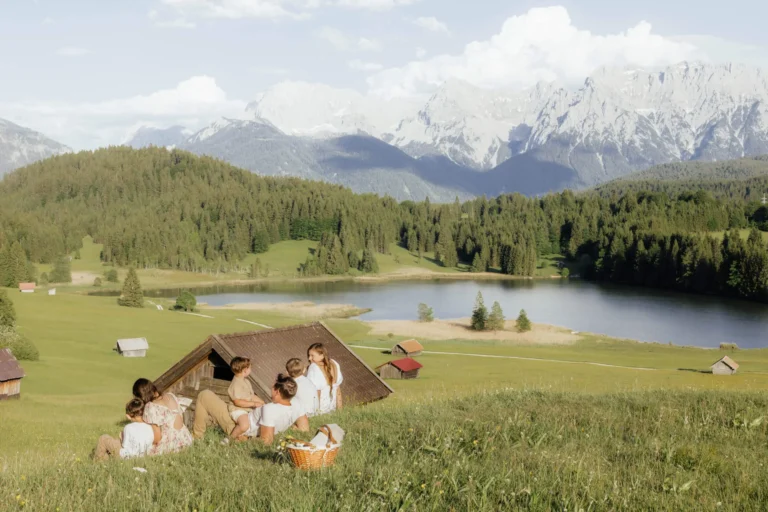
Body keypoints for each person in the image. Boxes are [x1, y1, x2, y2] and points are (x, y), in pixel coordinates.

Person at [242, 373, 309, 445]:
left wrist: (247, 439)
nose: (271, 389)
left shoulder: (269, 409)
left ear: (277, 392)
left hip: (242, 426)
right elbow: (304, 429)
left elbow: (266, 441)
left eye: (272, 387)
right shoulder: (298, 403)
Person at [133, 378, 193, 455]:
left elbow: (157, 437)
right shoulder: (170, 395)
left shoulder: (150, 407)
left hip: (172, 445)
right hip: (186, 439)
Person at [226, 356, 265, 442]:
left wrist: (262, 402)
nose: (250, 370)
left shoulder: (246, 381)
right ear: (245, 370)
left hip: (247, 409)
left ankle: (245, 438)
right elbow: (237, 402)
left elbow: (251, 396)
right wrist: (254, 404)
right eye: (250, 368)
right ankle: (230, 439)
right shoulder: (236, 383)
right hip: (238, 409)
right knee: (244, 425)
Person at [306, 343, 343, 415]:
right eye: (309, 355)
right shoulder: (334, 363)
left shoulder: (313, 367)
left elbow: (316, 393)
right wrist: (340, 411)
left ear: (322, 355)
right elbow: (338, 390)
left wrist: (316, 413)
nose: (309, 358)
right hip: (332, 409)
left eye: (312, 355)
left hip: (321, 411)